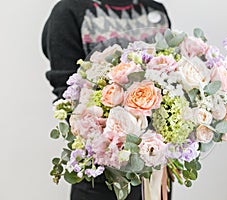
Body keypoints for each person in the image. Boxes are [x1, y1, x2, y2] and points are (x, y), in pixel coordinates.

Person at [42, 0, 171, 199]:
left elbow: (170, 84)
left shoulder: (155, 11)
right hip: (101, 175)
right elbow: (68, 96)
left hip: (154, 174)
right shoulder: (70, 12)